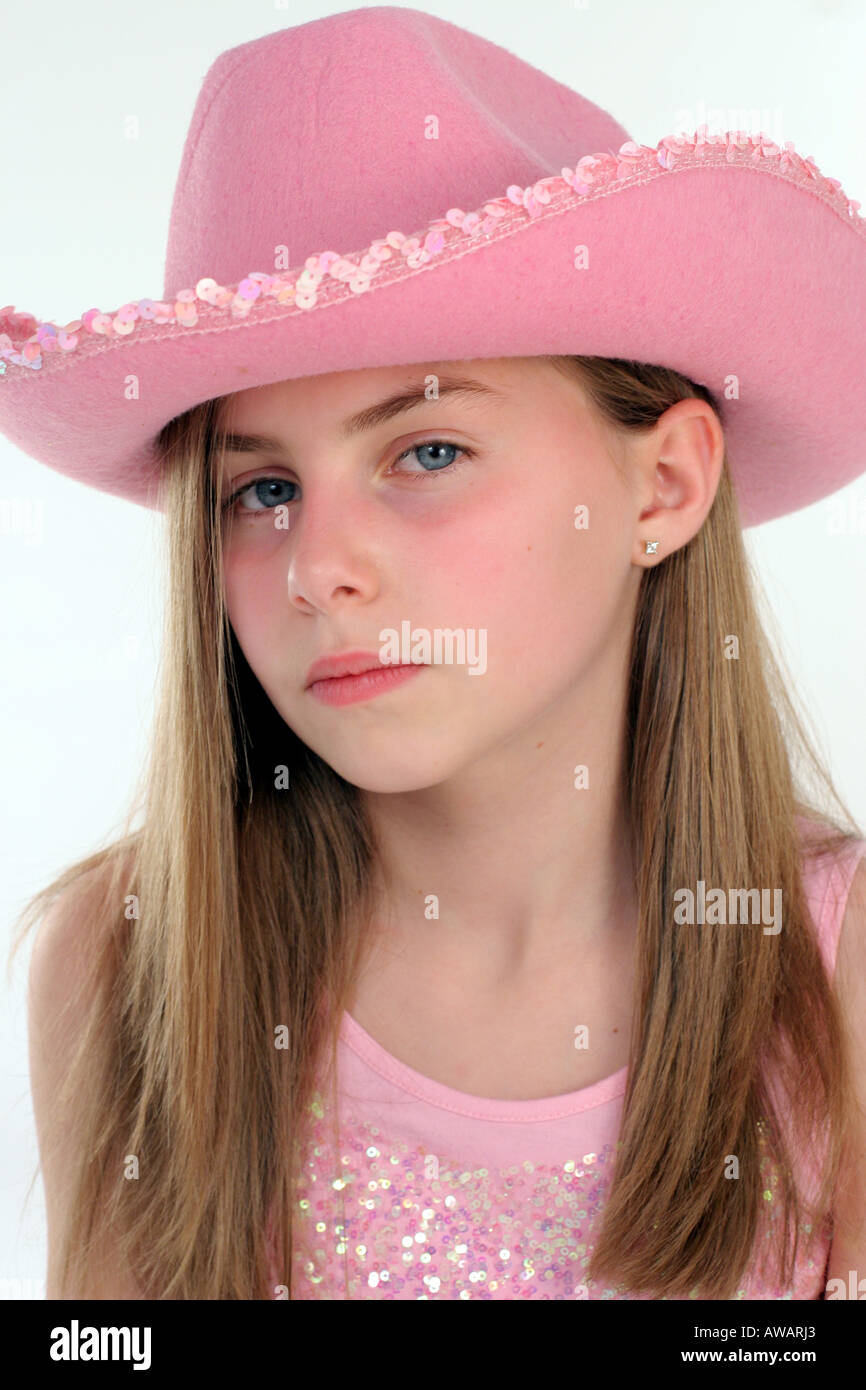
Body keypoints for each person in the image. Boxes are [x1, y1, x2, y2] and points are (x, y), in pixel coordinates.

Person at [5, 9, 866, 1300]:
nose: (318, 567)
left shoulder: (833, 980)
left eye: (424, 452)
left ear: (663, 485)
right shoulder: (128, 964)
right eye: (261, 491)